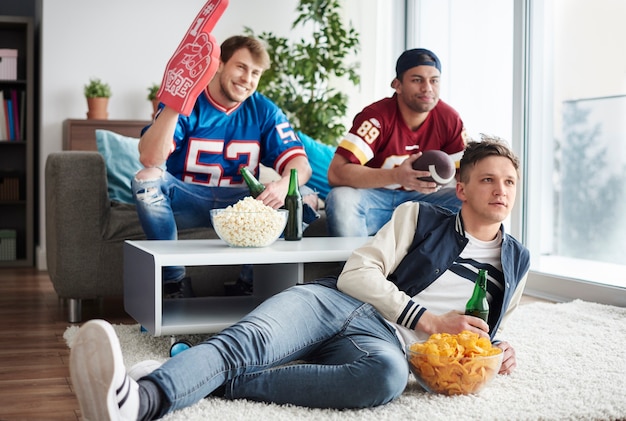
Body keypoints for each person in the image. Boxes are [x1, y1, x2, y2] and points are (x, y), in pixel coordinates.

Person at [69, 137, 530, 420]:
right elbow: (356, 273)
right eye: (488, 180)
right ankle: (142, 400)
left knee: (387, 382)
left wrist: (496, 350)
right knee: (247, 343)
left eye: (509, 182)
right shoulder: (420, 215)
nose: (500, 190)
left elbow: (479, 330)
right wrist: (426, 318)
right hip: (336, 302)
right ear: (463, 189)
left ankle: (209, 377)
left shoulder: (517, 260)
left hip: (385, 347)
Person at [133, 35, 318, 298]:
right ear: (218, 64)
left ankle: (249, 282)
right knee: (146, 179)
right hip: (186, 200)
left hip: (241, 206)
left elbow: (301, 165)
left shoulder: (264, 110)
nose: (247, 79)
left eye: (256, 73)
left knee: (306, 197)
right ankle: (173, 281)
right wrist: (176, 104)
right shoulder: (189, 101)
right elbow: (150, 159)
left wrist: (280, 185)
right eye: (241, 67)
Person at [325, 47, 468, 237]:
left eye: (434, 80)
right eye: (417, 80)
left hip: (423, 203)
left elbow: (465, 175)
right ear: (397, 85)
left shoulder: (449, 118)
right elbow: (336, 172)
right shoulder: (377, 118)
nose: (427, 88)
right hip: (375, 200)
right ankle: (358, 266)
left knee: (470, 199)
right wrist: (396, 176)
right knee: (341, 198)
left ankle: (443, 263)